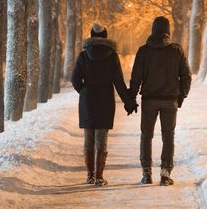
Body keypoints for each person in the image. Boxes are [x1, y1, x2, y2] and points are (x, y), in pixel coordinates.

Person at [72, 23, 138, 186]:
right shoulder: (112, 56)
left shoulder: (83, 55)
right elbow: (118, 82)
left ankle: (90, 175)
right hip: (105, 99)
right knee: (101, 137)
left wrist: (84, 91)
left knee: (89, 137)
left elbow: (75, 80)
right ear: (106, 37)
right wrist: (129, 102)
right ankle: (99, 177)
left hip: (88, 100)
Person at [129, 16, 192, 186]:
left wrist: (131, 99)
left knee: (146, 136)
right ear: (168, 31)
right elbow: (186, 76)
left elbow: (136, 78)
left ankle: (146, 173)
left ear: (153, 30)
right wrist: (181, 96)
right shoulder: (176, 51)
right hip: (170, 100)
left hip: (149, 100)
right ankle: (165, 173)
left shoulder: (143, 51)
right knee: (168, 137)